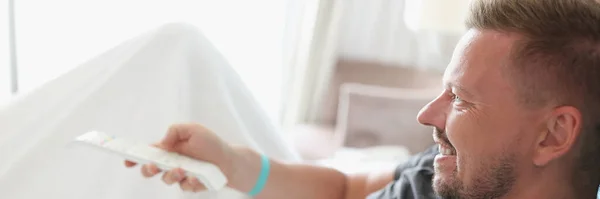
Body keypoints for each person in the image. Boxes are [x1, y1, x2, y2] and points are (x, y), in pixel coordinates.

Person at [125, 0, 600, 198]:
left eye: (460, 99)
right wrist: (232, 163)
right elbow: (344, 189)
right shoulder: (440, 177)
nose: (427, 114)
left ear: (553, 134)